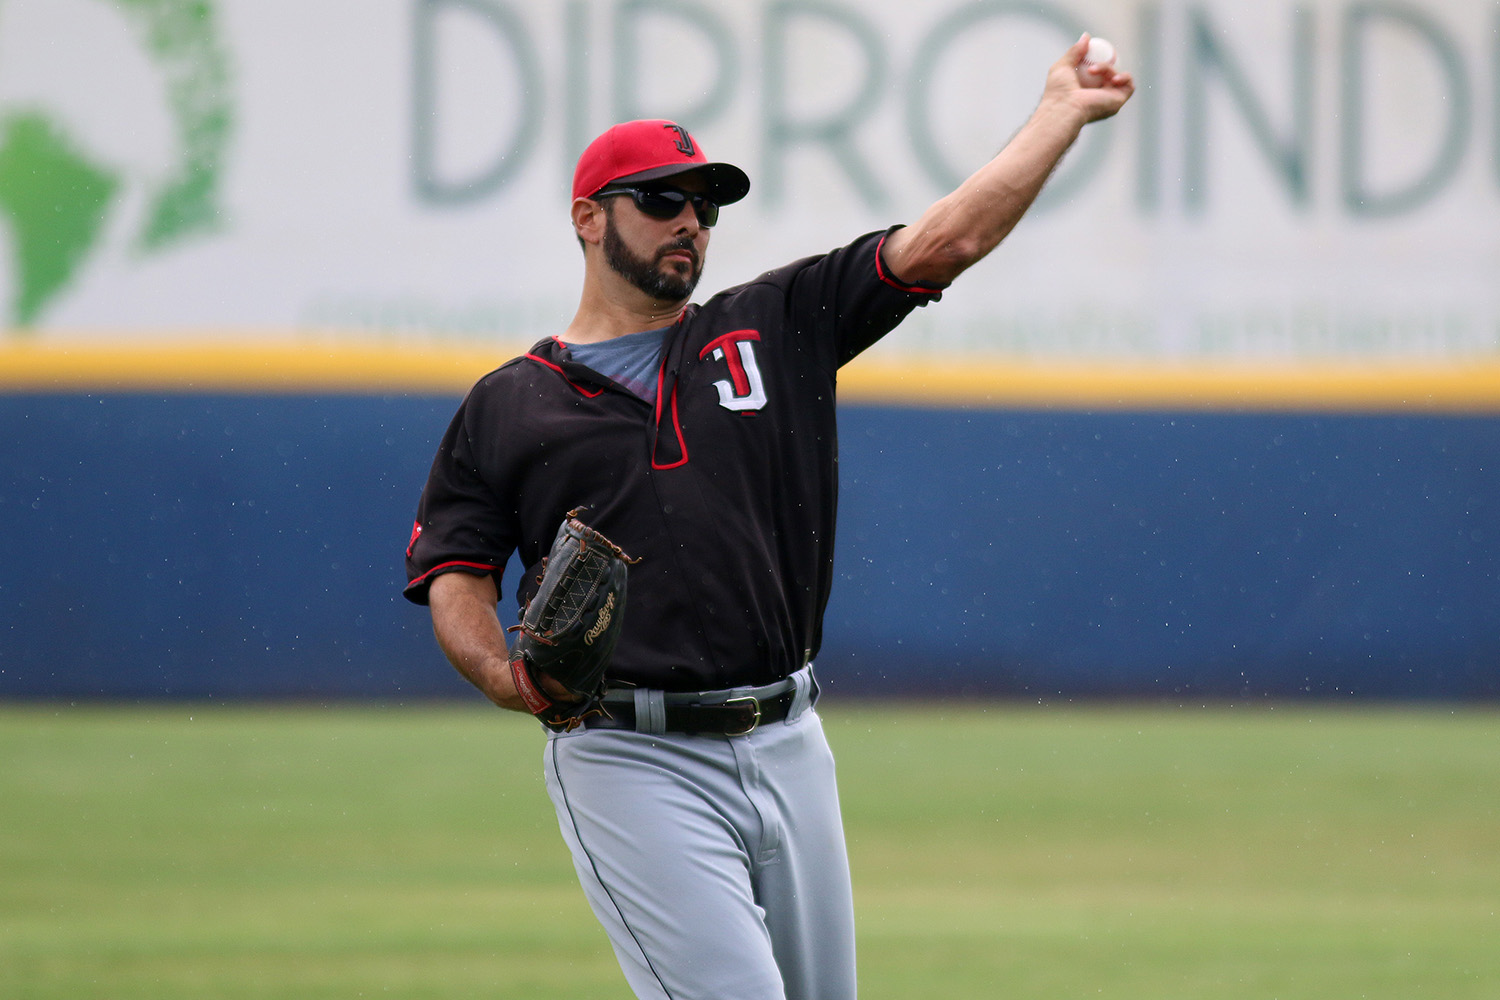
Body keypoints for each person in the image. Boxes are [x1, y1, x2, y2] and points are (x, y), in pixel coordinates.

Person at [404, 36, 1132, 1000]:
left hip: (791, 738)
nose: (689, 222)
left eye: (705, 206)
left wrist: (1060, 113)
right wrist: (504, 677)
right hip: (629, 755)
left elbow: (944, 241)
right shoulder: (510, 403)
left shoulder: (774, 323)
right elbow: (455, 570)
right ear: (588, 217)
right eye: (661, 199)